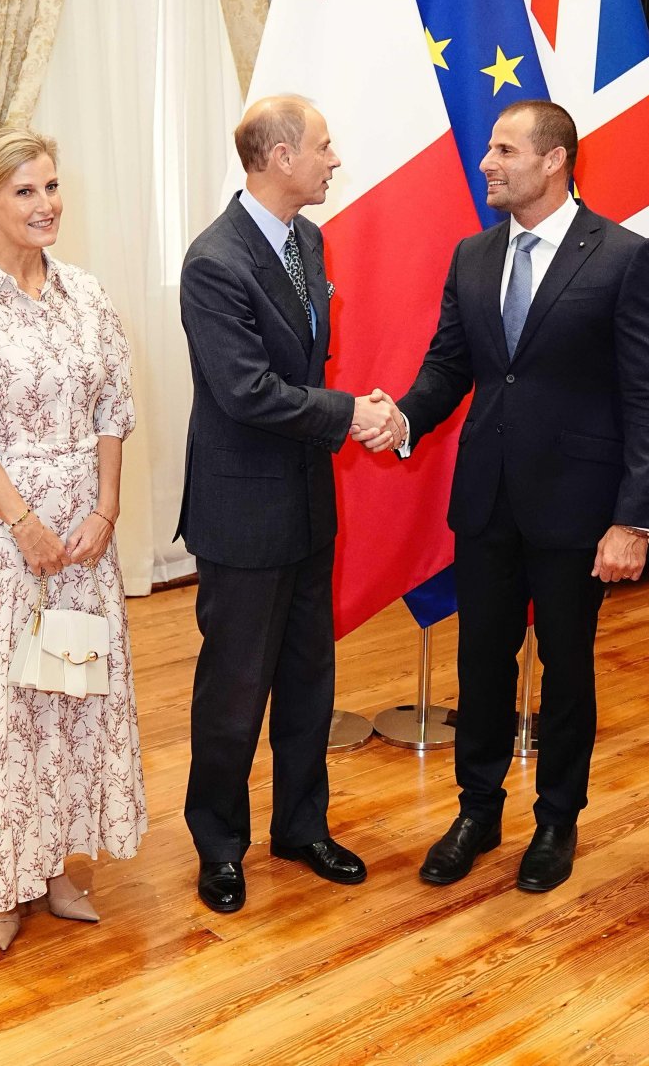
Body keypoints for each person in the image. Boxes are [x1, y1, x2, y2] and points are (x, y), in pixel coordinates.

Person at [390, 101, 649, 892]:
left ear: (554, 161)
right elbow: (451, 367)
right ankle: (476, 811)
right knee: (479, 663)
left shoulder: (623, 258)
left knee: (565, 669)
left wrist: (634, 519)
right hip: (486, 501)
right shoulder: (473, 256)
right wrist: (403, 417)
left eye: (504, 150)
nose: (488, 162)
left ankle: (556, 821)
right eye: (490, 150)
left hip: (578, 513)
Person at [0, 128, 147, 953]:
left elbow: (114, 408)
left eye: (50, 186)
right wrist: (26, 524)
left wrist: (107, 512)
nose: (45, 204)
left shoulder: (85, 293)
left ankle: (51, 866)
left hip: (81, 542)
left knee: (66, 698)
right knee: (2, 705)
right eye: (24, 192)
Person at [177, 95, 403, 915]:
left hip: (308, 502)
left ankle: (302, 826)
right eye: (323, 146)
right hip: (242, 513)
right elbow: (245, 392)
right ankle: (220, 845)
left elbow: (302, 370)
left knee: (311, 679)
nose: (333, 159)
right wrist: (351, 415)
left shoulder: (307, 237)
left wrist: (346, 409)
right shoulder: (214, 261)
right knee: (234, 691)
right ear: (278, 157)